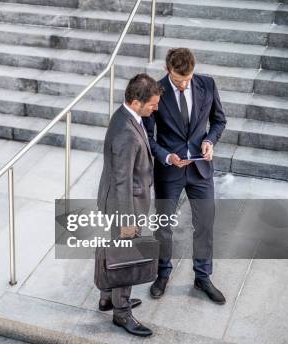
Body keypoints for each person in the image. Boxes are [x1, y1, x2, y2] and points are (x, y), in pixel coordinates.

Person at [143, 48, 227, 304]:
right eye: (179, 80)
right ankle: (163, 273)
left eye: (188, 78)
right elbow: (147, 135)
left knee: (204, 223)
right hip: (170, 170)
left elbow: (219, 121)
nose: (185, 83)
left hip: (200, 169)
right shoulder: (155, 91)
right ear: (169, 70)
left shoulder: (207, 84)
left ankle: (203, 276)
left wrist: (210, 141)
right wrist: (167, 157)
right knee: (164, 226)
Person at [96, 73, 161, 337]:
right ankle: (121, 314)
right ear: (136, 102)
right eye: (152, 104)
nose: (155, 108)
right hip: (125, 205)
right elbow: (123, 180)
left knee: (115, 250)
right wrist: (128, 221)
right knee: (125, 256)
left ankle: (107, 298)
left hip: (119, 199)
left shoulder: (125, 115)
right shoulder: (126, 133)